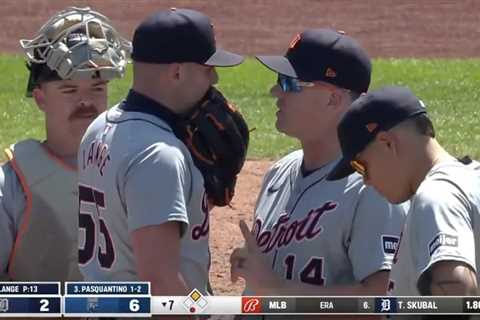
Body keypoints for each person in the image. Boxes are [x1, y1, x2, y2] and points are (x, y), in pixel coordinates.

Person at [77, 8, 244, 297]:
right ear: (177, 72)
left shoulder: (99, 127)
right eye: (207, 69)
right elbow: (160, 282)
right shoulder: (159, 154)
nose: (214, 79)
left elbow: (131, 212)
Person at [230, 29, 407, 298]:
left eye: (289, 83)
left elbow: (380, 299)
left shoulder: (374, 188)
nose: (276, 91)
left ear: (333, 99)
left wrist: (276, 288)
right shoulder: (280, 172)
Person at [0, 6, 129, 281]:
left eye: (97, 88)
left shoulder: (136, 167)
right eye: (69, 90)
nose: (86, 102)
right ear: (40, 98)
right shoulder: (11, 184)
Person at [327, 85, 480, 297]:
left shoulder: (436, 196)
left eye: (361, 166)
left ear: (387, 143)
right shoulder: (471, 178)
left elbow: (456, 288)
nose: (366, 181)